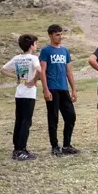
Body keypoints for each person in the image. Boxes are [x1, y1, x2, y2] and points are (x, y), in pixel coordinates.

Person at [39, 24, 78, 157]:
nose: (60, 37)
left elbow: (68, 71)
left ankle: (67, 145)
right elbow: (42, 71)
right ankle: (55, 146)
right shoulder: (46, 51)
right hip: (52, 88)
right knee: (53, 118)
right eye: (57, 34)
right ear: (50, 35)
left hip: (63, 88)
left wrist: (73, 89)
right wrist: (45, 89)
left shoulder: (65, 51)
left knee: (71, 116)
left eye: (61, 34)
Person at [1, 34, 41, 161]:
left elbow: (3, 70)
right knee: (26, 122)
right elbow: (40, 71)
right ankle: (22, 150)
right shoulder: (33, 58)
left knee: (19, 121)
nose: (37, 46)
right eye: (36, 43)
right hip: (29, 93)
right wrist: (34, 80)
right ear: (31, 45)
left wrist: (17, 77)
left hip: (19, 93)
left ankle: (16, 149)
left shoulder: (17, 58)